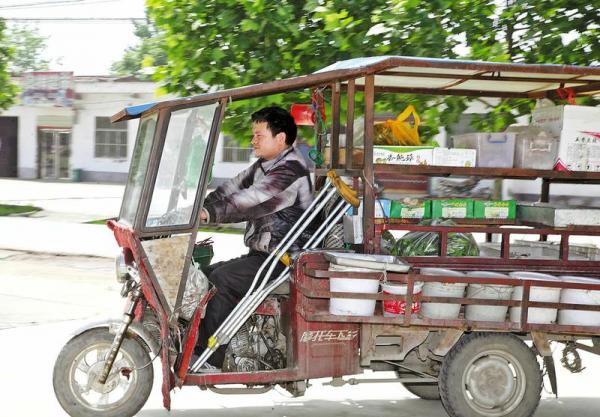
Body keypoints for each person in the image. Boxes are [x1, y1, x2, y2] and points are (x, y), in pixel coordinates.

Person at [195, 106, 313, 370]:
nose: (253, 140)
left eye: (259, 135)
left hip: (285, 260)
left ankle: (210, 359)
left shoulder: (290, 171)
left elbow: (249, 201)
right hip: (264, 255)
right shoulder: (263, 166)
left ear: (280, 138)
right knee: (202, 275)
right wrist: (196, 209)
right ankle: (198, 345)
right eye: (254, 135)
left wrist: (208, 214)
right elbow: (229, 190)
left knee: (222, 279)